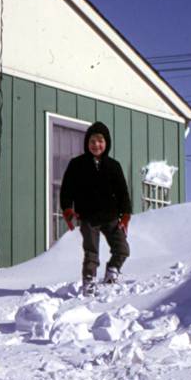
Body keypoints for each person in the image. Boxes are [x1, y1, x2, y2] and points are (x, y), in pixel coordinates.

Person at [60, 121, 131, 296]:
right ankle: (89, 281)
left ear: (106, 143)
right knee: (91, 252)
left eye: (100, 141)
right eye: (92, 141)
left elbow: (123, 192)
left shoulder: (114, 166)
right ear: (87, 143)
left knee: (122, 249)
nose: (96, 145)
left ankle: (112, 271)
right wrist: (68, 210)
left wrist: (125, 215)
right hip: (88, 217)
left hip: (111, 217)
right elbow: (67, 189)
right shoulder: (77, 164)